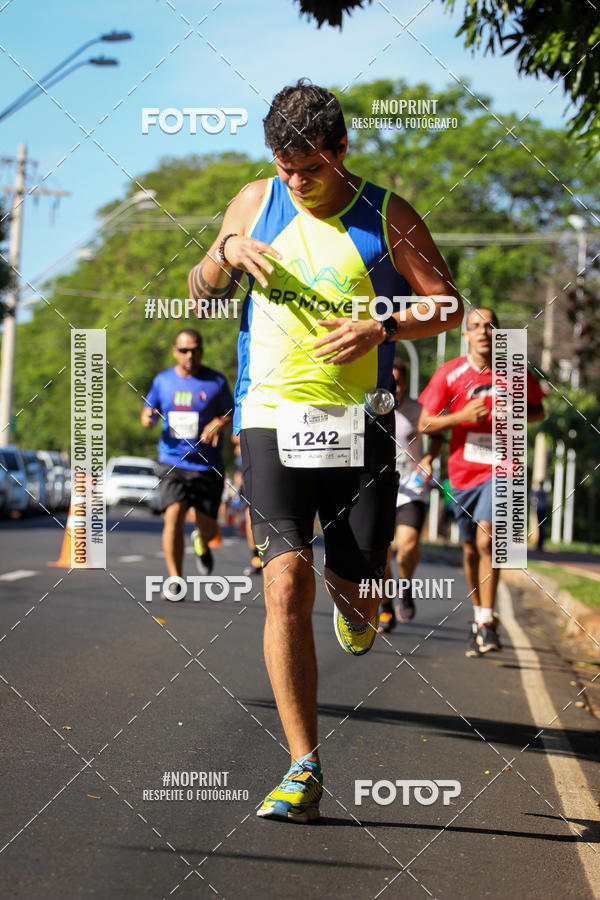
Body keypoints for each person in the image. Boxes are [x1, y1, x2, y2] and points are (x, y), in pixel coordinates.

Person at [188, 79, 462, 822]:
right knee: (283, 585)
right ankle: (302, 766)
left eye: (309, 167)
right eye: (285, 168)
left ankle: (363, 597)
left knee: (355, 587)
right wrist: (224, 251)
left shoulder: (385, 214)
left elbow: (448, 302)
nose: (297, 182)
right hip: (268, 416)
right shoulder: (255, 202)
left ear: (341, 150)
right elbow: (197, 293)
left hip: (360, 424)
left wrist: (383, 327)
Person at [418, 308, 544, 657]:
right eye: (475, 327)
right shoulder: (450, 373)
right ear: (465, 335)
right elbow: (425, 423)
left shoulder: (515, 370)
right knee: (470, 548)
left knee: (489, 538)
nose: (483, 332)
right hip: (461, 473)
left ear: (499, 333)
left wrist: (516, 411)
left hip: (503, 468)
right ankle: (478, 615)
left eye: (490, 326)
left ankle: (488, 620)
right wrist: (461, 416)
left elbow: (539, 411)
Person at [141, 328, 233, 591]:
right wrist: (148, 418)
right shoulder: (163, 381)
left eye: (194, 350)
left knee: (209, 529)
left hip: (208, 465)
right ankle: (175, 579)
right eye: (183, 350)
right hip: (172, 461)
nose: (189, 355)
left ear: (202, 351)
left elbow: (231, 413)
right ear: (175, 352)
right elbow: (149, 409)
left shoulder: (215, 381)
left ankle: (202, 542)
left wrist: (220, 421)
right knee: (174, 516)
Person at [378, 358, 443, 632]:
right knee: (380, 553)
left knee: (407, 545)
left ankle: (404, 588)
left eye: (399, 383)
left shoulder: (418, 410)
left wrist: (429, 458)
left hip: (411, 487)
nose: (395, 389)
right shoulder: (373, 408)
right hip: (379, 488)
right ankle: (385, 606)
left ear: (405, 382)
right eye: (390, 384)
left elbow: (438, 435)